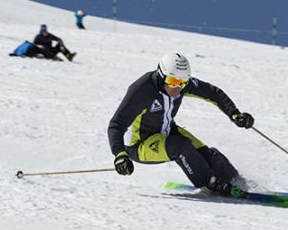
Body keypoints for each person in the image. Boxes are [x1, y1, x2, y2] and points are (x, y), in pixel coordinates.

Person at [108, 52, 255, 197]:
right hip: (140, 145)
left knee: (209, 155)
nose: (177, 87)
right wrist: (120, 155)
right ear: (161, 74)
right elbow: (116, 125)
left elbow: (212, 92)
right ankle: (210, 183)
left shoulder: (179, 83)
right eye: (172, 81)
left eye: (182, 83)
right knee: (181, 146)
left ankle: (239, 183)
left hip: (167, 131)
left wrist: (234, 114)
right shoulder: (142, 90)